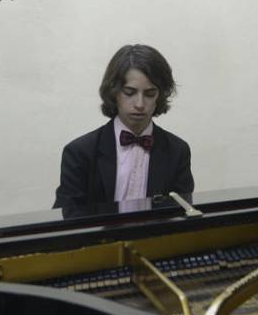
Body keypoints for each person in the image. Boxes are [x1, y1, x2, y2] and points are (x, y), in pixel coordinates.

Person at [53, 44, 194, 212]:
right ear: (114, 92)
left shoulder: (178, 151)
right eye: (129, 92)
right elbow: (67, 218)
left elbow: (183, 213)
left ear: (160, 95)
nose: (140, 104)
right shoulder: (79, 153)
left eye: (150, 94)